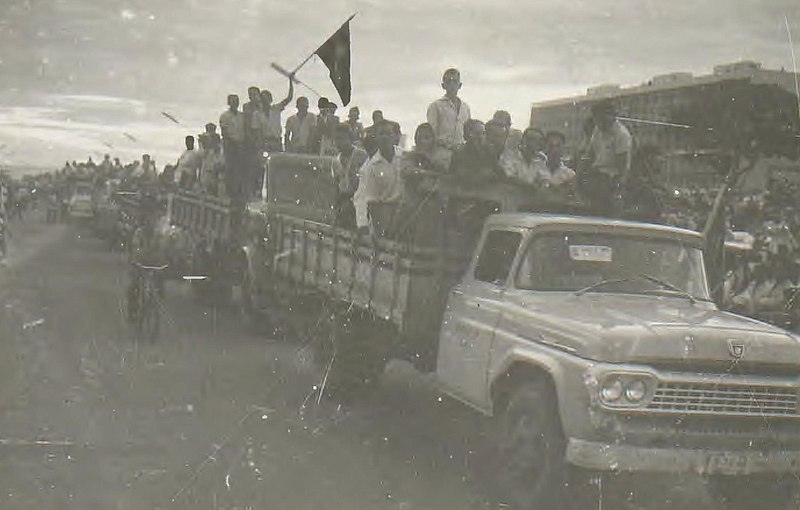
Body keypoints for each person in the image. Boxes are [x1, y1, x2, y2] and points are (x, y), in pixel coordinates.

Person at [353, 120, 405, 232]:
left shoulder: (405, 158)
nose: (385, 137)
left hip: (403, 211)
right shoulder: (369, 167)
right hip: (382, 213)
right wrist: (362, 224)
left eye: (389, 134)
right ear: (376, 138)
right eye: (381, 134)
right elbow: (362, 197)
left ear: (395, 137)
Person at [584, 99, 633, 215]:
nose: (598, 123)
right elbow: (589, 154)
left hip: (610, 179)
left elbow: (623, 168)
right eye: (596, 119)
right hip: (596, 175)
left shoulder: (622, 135)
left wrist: (618, 191)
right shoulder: (598, 129)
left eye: (601, 119)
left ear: (611, 116)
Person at [126, 195, 166, 323]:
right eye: (149, 219)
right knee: (134, 287)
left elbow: (162, 249)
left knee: (160, 283)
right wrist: (137, 259)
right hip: (140, 264)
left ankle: (157, 301)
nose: (151, 222)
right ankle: (132, 312)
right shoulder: (139, 233)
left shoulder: (158, 235)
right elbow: (136, 249)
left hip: (153, 263)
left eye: (154, 219)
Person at [427, 68, 471, 165]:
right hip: (442, 156)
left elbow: (468, 132)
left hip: (462, 157)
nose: (452, 85)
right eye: (448, 82)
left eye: (455, 81)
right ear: (443, 85)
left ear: (460, 85)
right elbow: (431, 134)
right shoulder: (436, 106)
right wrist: (449, 145)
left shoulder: (465, 108)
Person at [332, 123, 369, 228]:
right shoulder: (335, 162)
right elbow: (336, 185)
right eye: (337, 139)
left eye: (343, 139)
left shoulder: (362, 156)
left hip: (360, 200)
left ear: (351, 139)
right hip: (344, 200)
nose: (339, 143)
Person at [449, 119, 500, 184]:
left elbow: (498, 172)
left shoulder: (490, 151)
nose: (481, 137)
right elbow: (461, 176)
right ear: (467, 135)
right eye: (477, 133)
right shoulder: (460, 152)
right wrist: (484, 174)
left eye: (483, 133)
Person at [219, 94, 247, 200]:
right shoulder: (225, 116)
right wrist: (234, 143)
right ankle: (230, 192)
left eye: (237, 101)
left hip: (241, 145)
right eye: (233, 101)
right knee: (230, 168)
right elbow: (224, 133)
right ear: (229, 103)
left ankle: (239, 192)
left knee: (240, 169)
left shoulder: (242, 116)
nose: (235, 103)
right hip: (230, 145)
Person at [260, 77, 294, 153]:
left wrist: (291, 81)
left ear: (270, 100)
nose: (265, 101)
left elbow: (289, 98)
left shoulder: (276, 108)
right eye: (263, 99)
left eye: (267, 98)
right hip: (265, 143)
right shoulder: (257, 114)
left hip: (277, 142)